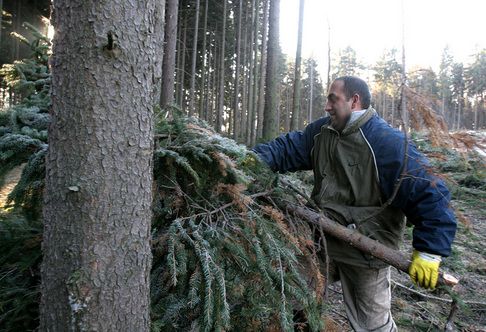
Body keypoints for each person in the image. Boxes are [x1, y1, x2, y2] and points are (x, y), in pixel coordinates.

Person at [253, 76, 457, 331]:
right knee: (293, 300)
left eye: (332, 99)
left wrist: (429, 250)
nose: (327, 107)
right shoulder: (323, 132)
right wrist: (250, 160)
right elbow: (286, 149)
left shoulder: (387, 143)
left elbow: (431, 193)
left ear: (355, 100)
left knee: (373, 327)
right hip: (320, 241)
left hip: (367, 252)